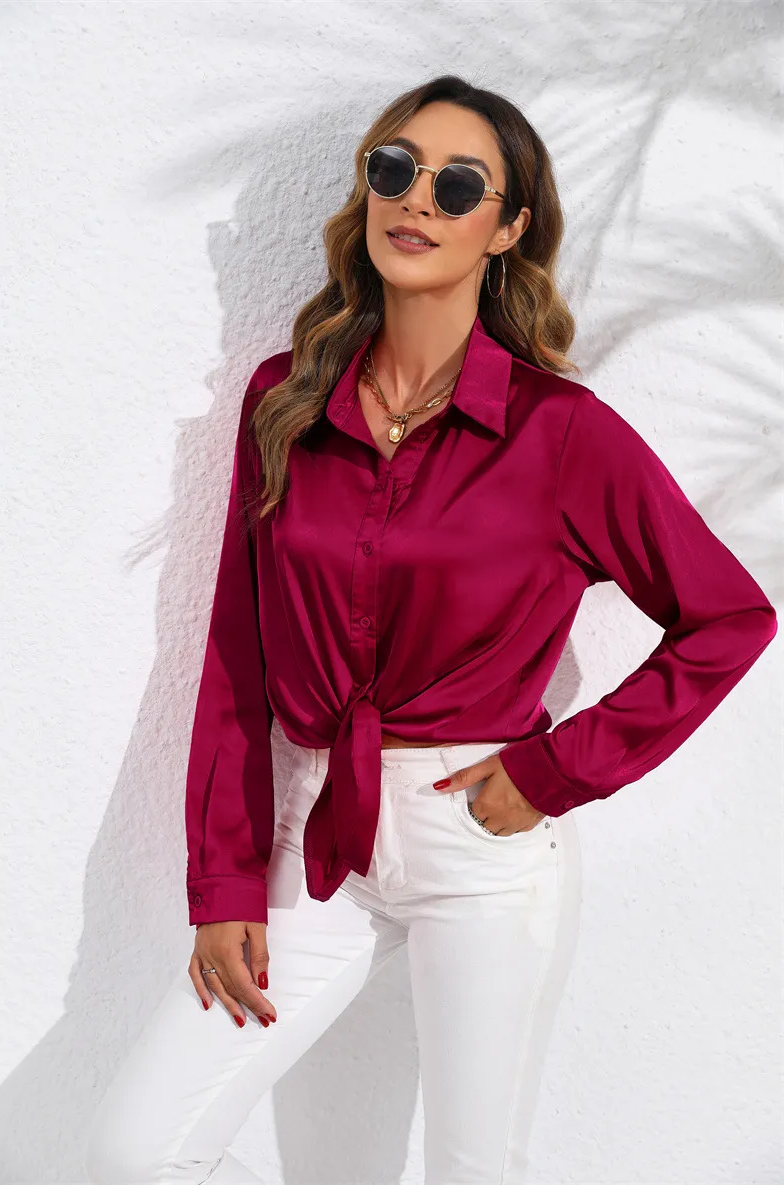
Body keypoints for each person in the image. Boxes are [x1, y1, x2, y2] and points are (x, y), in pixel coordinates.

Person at [84, 75, 777, 1185]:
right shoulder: (286, 402)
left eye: (459, 186)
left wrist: (554, 769)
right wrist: (224, 885)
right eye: (395, 168)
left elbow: (728, 616)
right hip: (318, 833)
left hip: (482, 843)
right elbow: (236, 659)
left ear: (506, 230)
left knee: (472, 1169)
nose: (416, 199)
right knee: (135, 1147)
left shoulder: (560, 433)